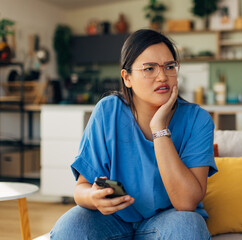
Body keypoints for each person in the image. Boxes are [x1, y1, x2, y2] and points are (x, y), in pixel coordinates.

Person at [50, 29, 218, 240]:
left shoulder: (197, 120)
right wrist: (93, 197)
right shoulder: (108, 111)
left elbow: (186, 203)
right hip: (112, 220)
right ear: (127, 77)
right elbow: (81, 188)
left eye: (169, 66)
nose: (162, 76)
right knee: (70, 226)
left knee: (189, 226)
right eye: (149, 68)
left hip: (169, 220)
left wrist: (160, 129)